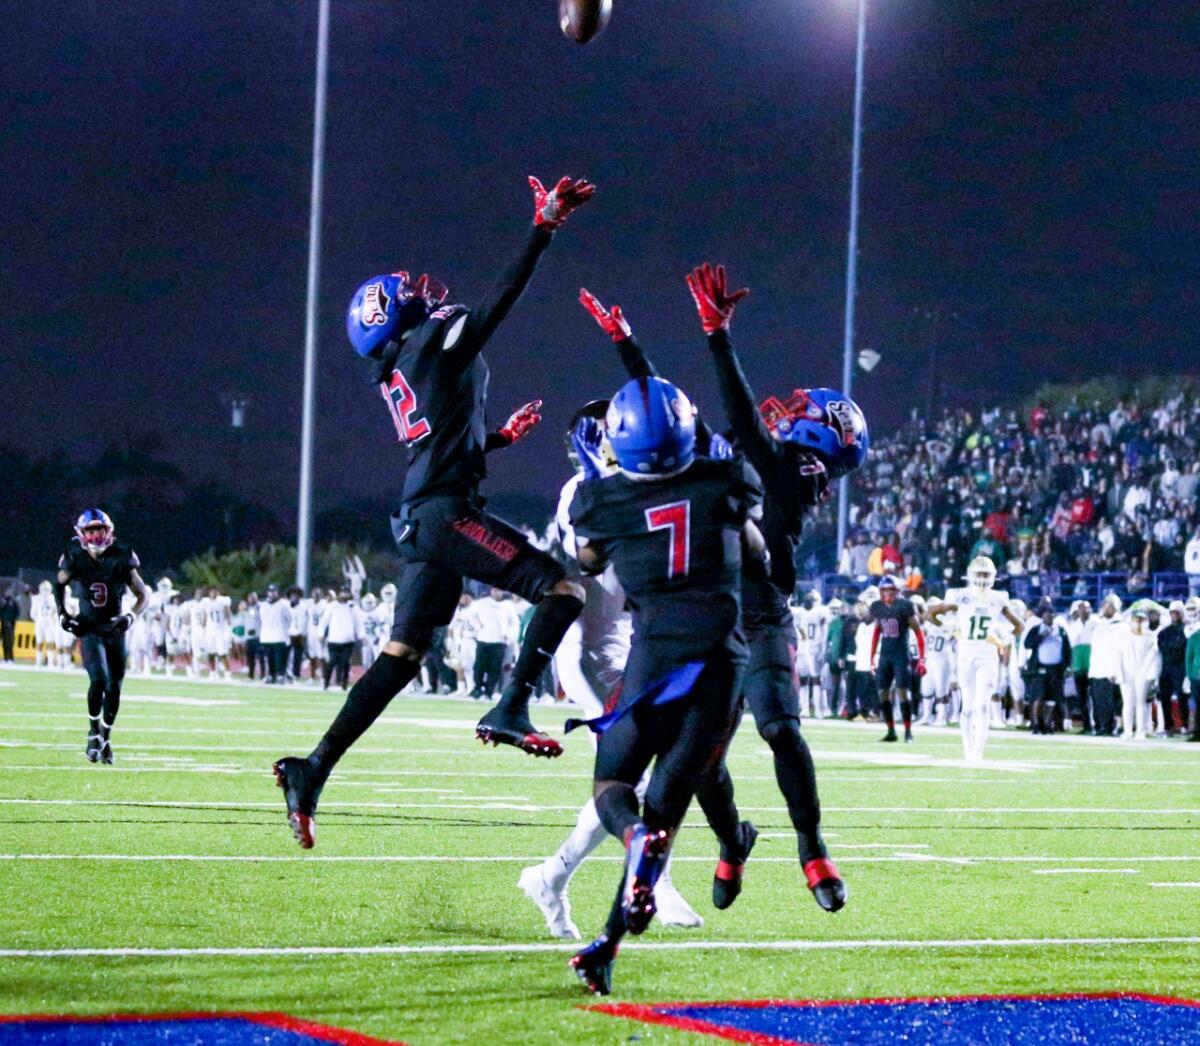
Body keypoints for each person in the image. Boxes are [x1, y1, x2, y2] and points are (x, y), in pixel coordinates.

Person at [274, 174, 596, 849]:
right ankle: (511, 706)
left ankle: (312, 769)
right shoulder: (430, 341)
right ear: (395, 316)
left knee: (399, 657)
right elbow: (497, 304)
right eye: (406, 294)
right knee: (562, 588)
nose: (421, 291)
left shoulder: (396, 365)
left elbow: (441, 432)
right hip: (443, 515)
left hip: (425, 517)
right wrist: (543, 228)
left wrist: (497, 437)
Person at [583, 269, 864, 916]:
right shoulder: (744, 456)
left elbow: (735, 411)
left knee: (780, 727)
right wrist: (628, 346)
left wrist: (717, 335)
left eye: (802, 413)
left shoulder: (791, 468)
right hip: (708, 613)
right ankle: (733, 841)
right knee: (701, 760)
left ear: (822, 436)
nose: (785, 411)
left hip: (760, 614)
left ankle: (812, 847)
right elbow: (669, 415)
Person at [565, 374, 763, 995]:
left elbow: (589, 559)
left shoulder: (605, 501)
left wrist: (599, 475)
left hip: (655, 663)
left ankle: (630, 845)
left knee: (613, 786)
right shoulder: (726, 482)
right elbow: (756, 547)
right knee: (669, 810)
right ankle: (606, 948)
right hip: (722, 666)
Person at [521, 401, 702, 939]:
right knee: (637, 773)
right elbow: (590, 555)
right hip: (586, 647)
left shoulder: (634, 488)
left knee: (643, 771)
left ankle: (552, 876)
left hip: (626, 647)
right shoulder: (581, 488)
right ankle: (654, 882)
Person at [54, 510, 147, 763]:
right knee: (99, 680)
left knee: (115, 687)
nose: (95, 535)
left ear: (109, 531)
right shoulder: (74, 557)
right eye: (90, 530)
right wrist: (62, 612)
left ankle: (105, 738)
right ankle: (94, 732)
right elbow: (59, 583)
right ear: (81, 534)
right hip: (89, 628)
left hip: (114, 630)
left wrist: (130, 616)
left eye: (99, 530)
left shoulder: (122, 556)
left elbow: (143, 594)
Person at [928, 557, 1023, 764]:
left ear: (993, 576)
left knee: (982, 706)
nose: (982, 578)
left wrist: (1004, 640)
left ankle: (978, 752)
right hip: (965, 654)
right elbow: (930, 614)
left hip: (987, 655)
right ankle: (967, 748)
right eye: (978, 574)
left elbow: (1019, 626)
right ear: (970, 575)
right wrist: (950, 629)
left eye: (985, 574)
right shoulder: (959, 596)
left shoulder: (999, 598)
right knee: (968, 706)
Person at [869, 575, 925, 743]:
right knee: (882, 694)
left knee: (902, 693)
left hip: (901, 654)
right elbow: (877, 632)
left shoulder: (905, 606)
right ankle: (891, 731)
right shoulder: (877, 607)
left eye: (891, 590)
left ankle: (908, 732)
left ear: (898, 591)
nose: (888, 594)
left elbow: (919, 633)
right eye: (885, 590)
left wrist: (922, 658)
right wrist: (871, 657)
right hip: (885, 654)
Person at [1023, 598, 1071, 734]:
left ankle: (1047, 723)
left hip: (1056, 669)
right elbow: (1027, 644)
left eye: (1052, 614)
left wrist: (1068, 666)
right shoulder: (1036, 629)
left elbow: (1067, 649)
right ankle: (1036, 724)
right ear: (1042, 616)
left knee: (1052, 698)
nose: (1049, 617)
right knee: (1038, 697)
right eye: (1046, 614)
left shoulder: (1060, 630)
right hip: (1040, 668)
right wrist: (1041, 636)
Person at [1117, 601, 1160, 741]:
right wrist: (1118, 673)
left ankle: (1140, 732)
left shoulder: (1150, 637)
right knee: (1127, 703)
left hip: (1143, 674)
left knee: (1140, 703)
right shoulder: (1124, 636)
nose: (1139, 622)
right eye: (1137, 619)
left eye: (1142, 619)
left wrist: (1150, 674)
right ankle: (1128, 731)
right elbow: (1119, 656)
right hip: (1127, 673)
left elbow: (1153, 657)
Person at [469, 588, 520, 699]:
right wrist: (478, 626)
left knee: (495, 668)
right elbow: (471, 615)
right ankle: (478, 687)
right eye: (496, 590)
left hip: (500, 641)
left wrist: (508, 634)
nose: (498, 593)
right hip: (484, 639)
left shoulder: (508, 606)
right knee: (479, 666)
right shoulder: (482, 603)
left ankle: (489, 691)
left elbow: (514, 623)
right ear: (491, 591)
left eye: (500, 591)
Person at [1157, 601, 1187, 736]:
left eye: (1177, 612)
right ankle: (1168, 726)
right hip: (1167, 668)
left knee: (1182, 698)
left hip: (1180, 668)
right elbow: (1162, 648)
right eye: (1172, 612)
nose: (1175, 615)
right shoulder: (1164, 632)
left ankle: (1184, 725)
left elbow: (1181, 649)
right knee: (1164, 698)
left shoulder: (1186, 629)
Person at [259, 584, 291, 684]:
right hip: (266, 636)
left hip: (279, 635)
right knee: (269, 658)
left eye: (274, 591)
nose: (272, 593)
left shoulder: (283, 604)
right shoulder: (263, 605)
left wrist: (285, 631)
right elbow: (262, 619)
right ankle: (270, 675)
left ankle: (280, 675)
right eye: (270, 591)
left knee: (279, 658)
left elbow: (289, 619)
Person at [30, 580, 58, 667]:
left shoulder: (53, 598)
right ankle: (38, 662)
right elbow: (33, 612)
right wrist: (38, 620)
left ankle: (50, 662)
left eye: (47, 589)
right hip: (40, 623)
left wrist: (53, 620)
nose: (45, 591)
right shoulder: (36, 598)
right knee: (39, 642)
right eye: (44, 589)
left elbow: (56, 611)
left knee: (50, 642)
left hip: (50, 624)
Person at [0, 589, 17, 663]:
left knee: (9, 643)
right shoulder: (3, 602)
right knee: (4, 643)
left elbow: (17, 613)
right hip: (3, 625)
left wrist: (12, 621)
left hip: (11, 625)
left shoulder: (14, 602)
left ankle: (10, 658)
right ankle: (5, 658)